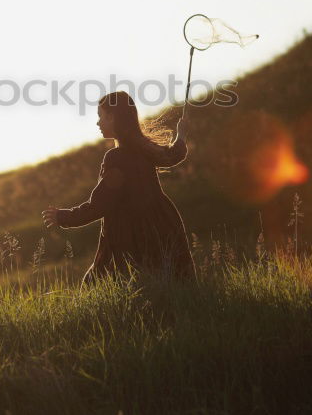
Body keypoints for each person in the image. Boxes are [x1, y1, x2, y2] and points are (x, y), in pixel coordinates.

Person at [41, 91, 196, 284]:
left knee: (97, 283)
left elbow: (99, 204)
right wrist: (181, 134)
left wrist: (63, 216)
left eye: (101, 117)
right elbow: (173, 155)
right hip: (162, 225)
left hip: (131, 235)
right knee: (170, 280)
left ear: (113, 117)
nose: (98, 123)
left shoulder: (116, 158)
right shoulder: (145, 148)